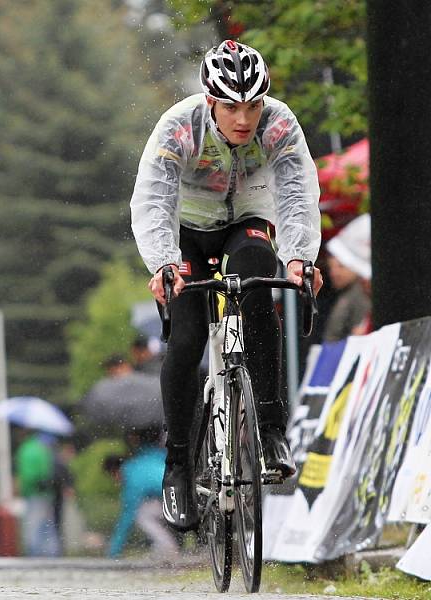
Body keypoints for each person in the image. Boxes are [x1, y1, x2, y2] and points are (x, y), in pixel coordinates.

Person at [130, 40, 324, 531]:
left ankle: (272, 429)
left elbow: (299, 189)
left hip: (248, 217)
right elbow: (152, 198)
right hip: (186, 229)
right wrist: (164, 263)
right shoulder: (178, 126)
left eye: (253, 105)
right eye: (232, 107)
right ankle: (177, 464)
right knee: (189, 334)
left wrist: (300, 257)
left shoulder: (279, 124)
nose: (244, 119)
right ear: (210, 102)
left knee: (258, 284)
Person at [103, 427, 178, 560]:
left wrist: (113, 551)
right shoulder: (146, 458)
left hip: (172, 495)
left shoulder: (131, 475)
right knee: (149, 509)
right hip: (178, 489)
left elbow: (127, 516)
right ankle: (162, 548)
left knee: (141, 515)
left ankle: (167, 547)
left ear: (115, 471)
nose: (115, 481)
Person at [323, 213, 371, 341]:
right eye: (331, 267)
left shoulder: (357, 296)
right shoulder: (348, 295)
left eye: (341, 266)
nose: (334, 273)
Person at [15, 429, 60, 557]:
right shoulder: (43, 448)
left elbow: (28, 476)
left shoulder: (26, 450)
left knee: (32, 527)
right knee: (48, 527)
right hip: (47, 493)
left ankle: (34, 556)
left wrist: (23, 487)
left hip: (33, 493)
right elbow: (48, 471)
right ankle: (52, 555)